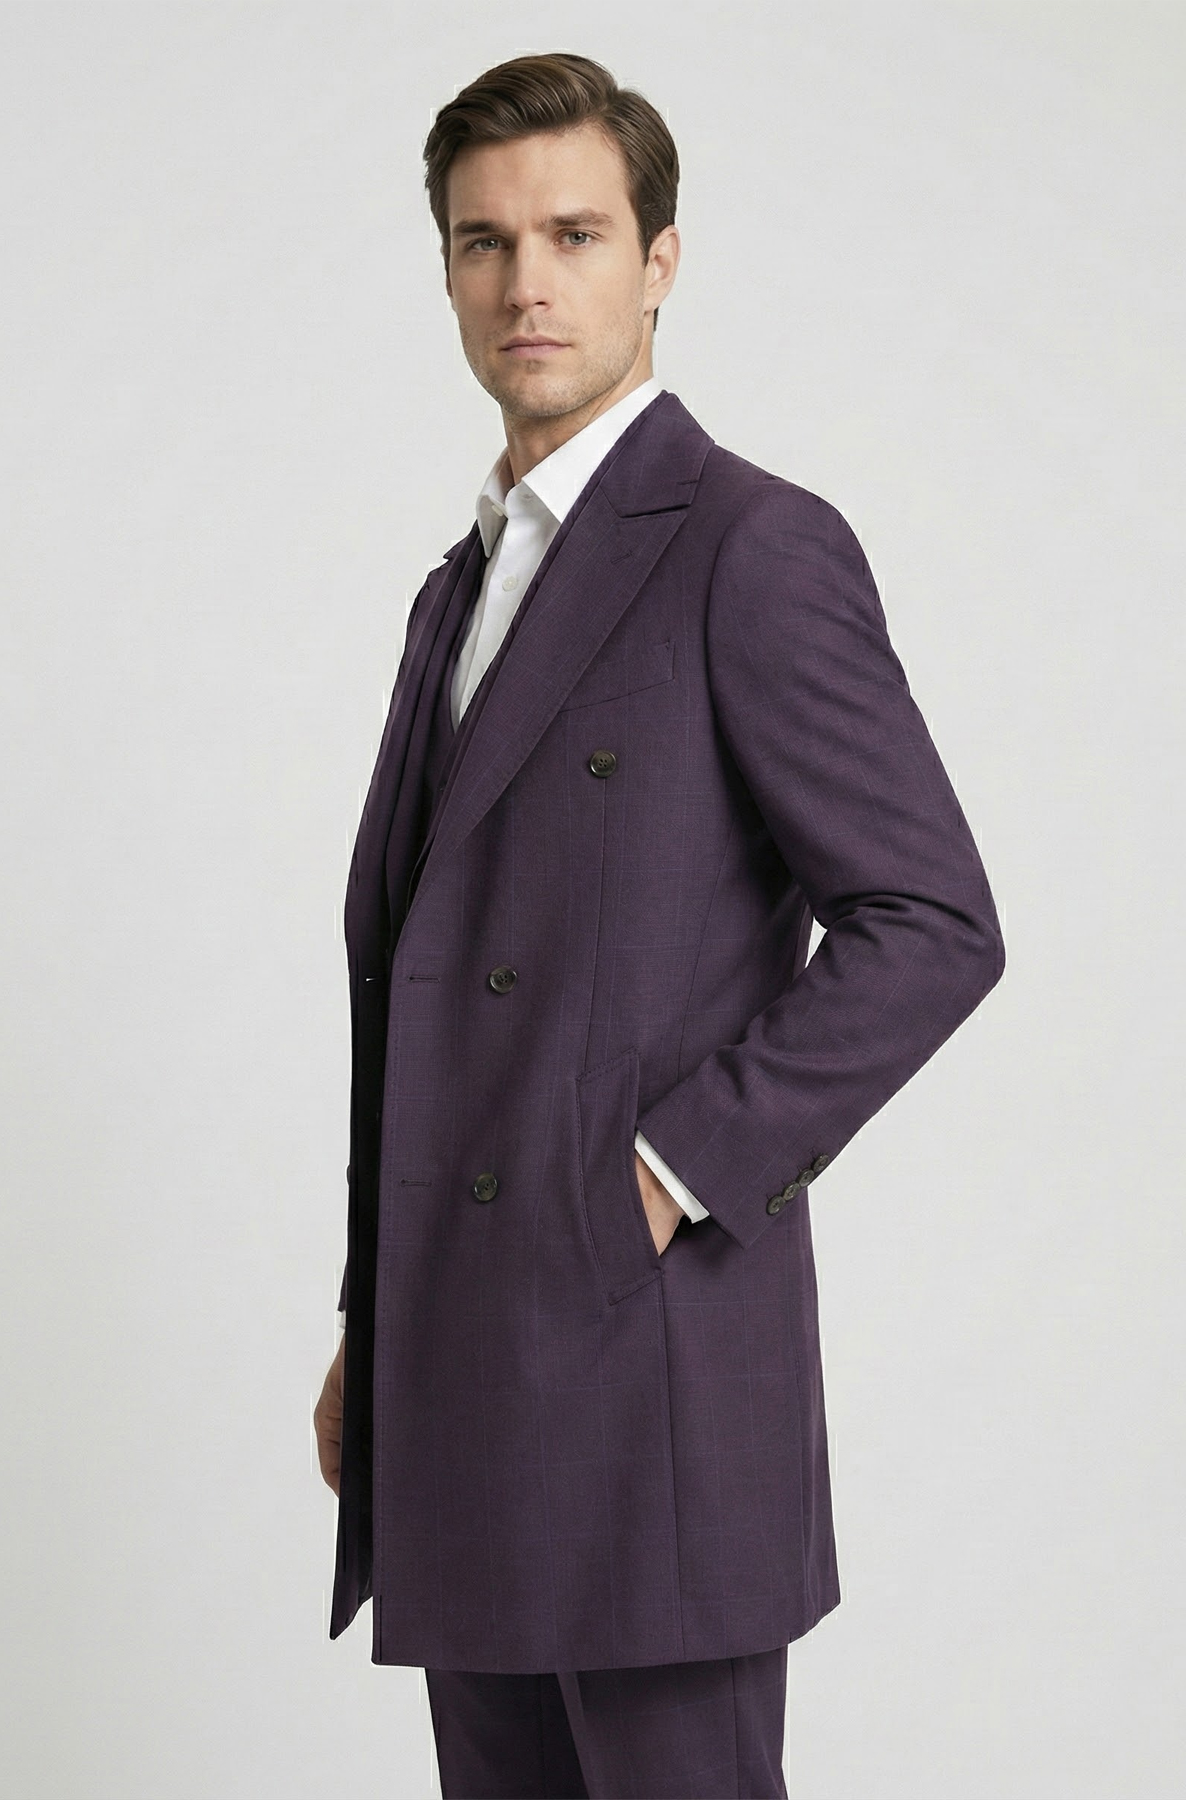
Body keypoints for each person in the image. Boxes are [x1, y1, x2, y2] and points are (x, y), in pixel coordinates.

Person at [313, 50, 1004, 1800]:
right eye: (483, 242)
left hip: (650, 1375)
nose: (526, 285)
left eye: (575, 235)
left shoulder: (751, 547)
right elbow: (430, 998)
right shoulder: (457, 590)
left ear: (660, 260)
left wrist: (668, 1168)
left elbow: (931, 918)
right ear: (445, 271)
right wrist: (378, 1328)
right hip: (462, 1377)